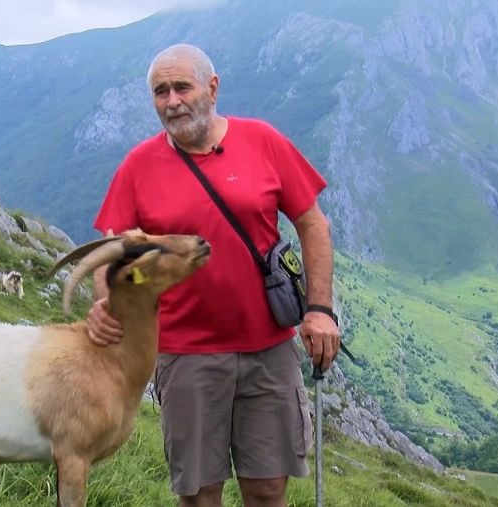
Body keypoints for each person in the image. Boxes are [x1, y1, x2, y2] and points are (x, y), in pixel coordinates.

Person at [89, 43, 341, 506]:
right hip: (185, 357)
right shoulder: (138, 166)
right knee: (199, 494)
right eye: (160, 92)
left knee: (268, 490)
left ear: (212, 87)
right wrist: (106, 303)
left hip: (268, 349)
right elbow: (112, 251)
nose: (172, 101)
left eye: (181, 87)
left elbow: (313, 223)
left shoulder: (263, 140)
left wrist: (321, 310)